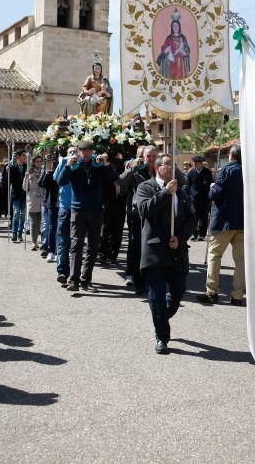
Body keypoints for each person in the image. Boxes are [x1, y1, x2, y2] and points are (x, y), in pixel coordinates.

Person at [136, 154, 194, 354]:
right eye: (167, 164)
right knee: (157, 297)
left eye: (173, 164)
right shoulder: (146, 187)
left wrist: (181, 238)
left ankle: (161, 315)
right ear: (157, 167)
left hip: (176, 250)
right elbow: (144, 210)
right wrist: (164, 194)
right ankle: (162, 337)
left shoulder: (182, 191)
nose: (170, 168)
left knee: (177, 293)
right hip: (154, 251)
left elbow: (191, 219)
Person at [57, 140, 116, 292]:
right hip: (78, 211)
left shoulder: (98, 166)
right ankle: (73, 280)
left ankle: (86, 281)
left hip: (96, 211)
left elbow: (112, 178)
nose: (87, 153)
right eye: (83, 151)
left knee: (93, 246)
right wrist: (68, 165)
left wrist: (106, 164)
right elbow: (60, 181)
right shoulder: (74, 165)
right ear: (79, 152)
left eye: (89, 150)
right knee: (76, 246)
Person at [196, 145, 244, 305]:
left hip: (223, 220)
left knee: (215, 256)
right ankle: (237, 296)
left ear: (231, 156)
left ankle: (212, 292)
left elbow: (215, 193)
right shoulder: (249, 172)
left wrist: (212, 187)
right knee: (241, 261)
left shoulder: (225, 170)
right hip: (242, 221)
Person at [119, 145, 158, 292]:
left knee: (150, 244)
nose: (150, 160)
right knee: (135, 244)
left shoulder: (159, 169)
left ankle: (148, 275)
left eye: (153, 156)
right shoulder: (135, 168)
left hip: (155, 211)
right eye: (146, 156)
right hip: (136, 212)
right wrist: (132, 168)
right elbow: (122, 186)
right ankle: (132, 274)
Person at [53, 145, 78, 284]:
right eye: (70, 152)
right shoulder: (63, 163)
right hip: (65, 208)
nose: (73, 154)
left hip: (78, 208)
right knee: (63, 241)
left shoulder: (81, 165)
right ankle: (62, 271)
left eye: (75, 152)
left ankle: (74, 273)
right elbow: (57, 179)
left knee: (75, 243)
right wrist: (65, 162)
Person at [156, 9, 191, 79]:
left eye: (177, 26)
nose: (175, 28)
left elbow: (187, 49)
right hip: (171, 61)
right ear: (172, 27)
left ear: (179, 27)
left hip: (181, 61)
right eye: (174, 26)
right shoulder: (168, 38)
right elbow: (163, 48)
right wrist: (166, 50)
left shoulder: (183, 37)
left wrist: (183, 51)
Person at [186, 155, 213, 241]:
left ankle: (202, 234)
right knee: (194, 216)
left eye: (196, 162)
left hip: (204, 198)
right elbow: (188, 185)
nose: (194, 164)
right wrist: (189, 195)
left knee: (204, 217)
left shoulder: (207, 172)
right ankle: (194, 234)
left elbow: (208, 183)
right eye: (193, 162)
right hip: (194, 199)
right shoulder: (191, 172)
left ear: (200, 163)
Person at [38, 157, 59, 262]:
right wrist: (47, 172)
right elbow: (42, 183)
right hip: (50, 202)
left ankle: (59, 250)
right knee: (50, 227)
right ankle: (49, 249)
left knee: (59, 228)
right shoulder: (48, 168)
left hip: (62, 201)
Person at [22, 155, 43, 250]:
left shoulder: (44, 171)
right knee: (33, 222)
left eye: (40, 161)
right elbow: (25, 188)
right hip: (32, 199)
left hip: (42, 199)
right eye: (37, 161)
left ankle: (38, 240)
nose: (39, 163)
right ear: (33, 163)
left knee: (39, 223)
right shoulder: (29, 173)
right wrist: (26, 178)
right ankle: (34, 242)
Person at [8, 149, 27, 242]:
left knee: (22, 215)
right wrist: (6, 171)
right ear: (18, 157)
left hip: (24, 194)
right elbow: (8, 181)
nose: (25, 157)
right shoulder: (12, 168)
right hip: (15, 194)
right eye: (23, 155)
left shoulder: (27, 167)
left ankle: (20, 233)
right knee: (16, 213)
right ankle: (14, 233)